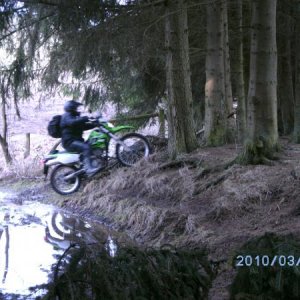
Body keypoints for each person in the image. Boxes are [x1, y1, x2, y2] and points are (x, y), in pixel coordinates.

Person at [60, 100, 99, 174]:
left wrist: (95, 125)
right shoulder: (67, 116)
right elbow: (72, 122)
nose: (77, 109)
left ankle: (87, 165)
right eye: (76, 108)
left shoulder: (74, 116)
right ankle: (88, 169)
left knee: (91, 145)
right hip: (70, 142)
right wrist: (84, 118)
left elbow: (82, 126)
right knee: (86, 147)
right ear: (71, 108)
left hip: (74, 140)